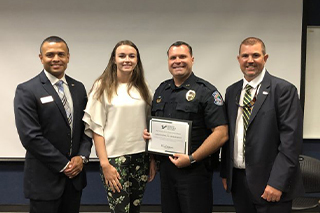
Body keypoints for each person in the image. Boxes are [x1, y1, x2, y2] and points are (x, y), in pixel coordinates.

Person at [220, 37, 304, 213]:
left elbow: (290, 143)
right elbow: (230, 135)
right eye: (245, 56)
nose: (250, 60)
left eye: (255, 55)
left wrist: (277, 182)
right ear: (238, 59)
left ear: (265, 58)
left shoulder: (283, 90)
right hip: (239, 182)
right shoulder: (232, 91)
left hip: (270, 184)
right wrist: (225, 173)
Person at [143, 41, 228, 213]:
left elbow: (221, 133)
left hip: (194, 171)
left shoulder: (207, 92)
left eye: (183, 56)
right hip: (167, 170)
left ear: (192, 59)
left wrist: (191, 158)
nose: (178, 61)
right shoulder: (161, 90)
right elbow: (156, 126)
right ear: (168, 61)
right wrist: (150, 140)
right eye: (173, 57)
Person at [14, 36, 92, 213]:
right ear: (41, 58)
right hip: (44, 181)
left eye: (61, 54)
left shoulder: (78, 88)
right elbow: (30, 137)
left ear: (68, 57)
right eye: (50, 54)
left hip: (74, 181)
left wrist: (82, 157)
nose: (56, 58)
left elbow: (87, 128)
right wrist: (65, 166)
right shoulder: (27, 90)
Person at [83, 40, 156, 213]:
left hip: (141, 157)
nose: (127, 60)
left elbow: (151, 126)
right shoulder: (102, 87)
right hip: (114, 160)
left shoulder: (143, 87)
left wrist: (153, 159)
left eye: (132, 56)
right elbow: (96, 128)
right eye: (121, 56)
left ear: (137, 60)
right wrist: (104, 164)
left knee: (135, 209)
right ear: (114, 59)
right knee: (120, 209)